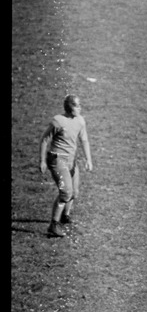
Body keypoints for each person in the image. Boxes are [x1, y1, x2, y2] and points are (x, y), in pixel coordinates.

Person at [39, 94, 93, 238]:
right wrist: (42, 161)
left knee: (74, 192)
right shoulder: (58, 121)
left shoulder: (80, 121)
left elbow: (84, 140)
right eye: (77, 105)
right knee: (66, 193)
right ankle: (53, 225)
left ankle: (65, 216)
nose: (80, 108)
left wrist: (89, 160)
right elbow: (44, 140)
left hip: (71, 160)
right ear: (69, 107)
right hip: (58, 161)